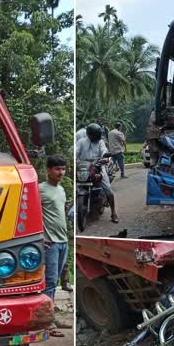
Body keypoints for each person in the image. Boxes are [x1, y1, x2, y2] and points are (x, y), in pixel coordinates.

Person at [39, 155, 69, 305]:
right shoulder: (40, 189)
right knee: (50, 282)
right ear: (49, 170)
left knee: (54, 281)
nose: (61, 172)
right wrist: (39, 238)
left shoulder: (61, 189)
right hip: (50, 243)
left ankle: (48, 312)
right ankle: (47, 319)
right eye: (58, 169)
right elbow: (30, 213)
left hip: (63, 241)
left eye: (63, 169)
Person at [75, 123, 119, 223]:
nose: (97, 137)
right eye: (95, 135)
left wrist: (105, 158)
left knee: (108, 189)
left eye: (98, 135)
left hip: (98, 167)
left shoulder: (100, 142)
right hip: (84, 168)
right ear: (89, 134)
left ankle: (113, 213)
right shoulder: (81, 142)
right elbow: (76, 152)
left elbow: (104, 151)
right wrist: (74, 160)